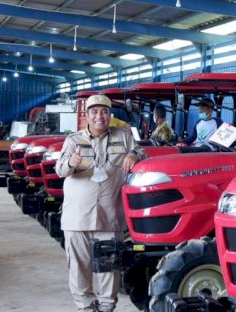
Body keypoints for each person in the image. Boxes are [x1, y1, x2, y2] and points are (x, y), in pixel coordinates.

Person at [56, 95, 146, 312]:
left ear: (109, 115)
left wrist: (133, 153)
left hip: (109, 216)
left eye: (104, 112)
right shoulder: (73, 140)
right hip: (77, 217)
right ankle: (86, 308)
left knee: (109, 268)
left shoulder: (123, 136)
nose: (99, 116)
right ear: (87, 116)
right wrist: (71, 162)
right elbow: (59, 170)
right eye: (94, 112)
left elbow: (142, 151)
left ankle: (106, 308)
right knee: (78, 268)